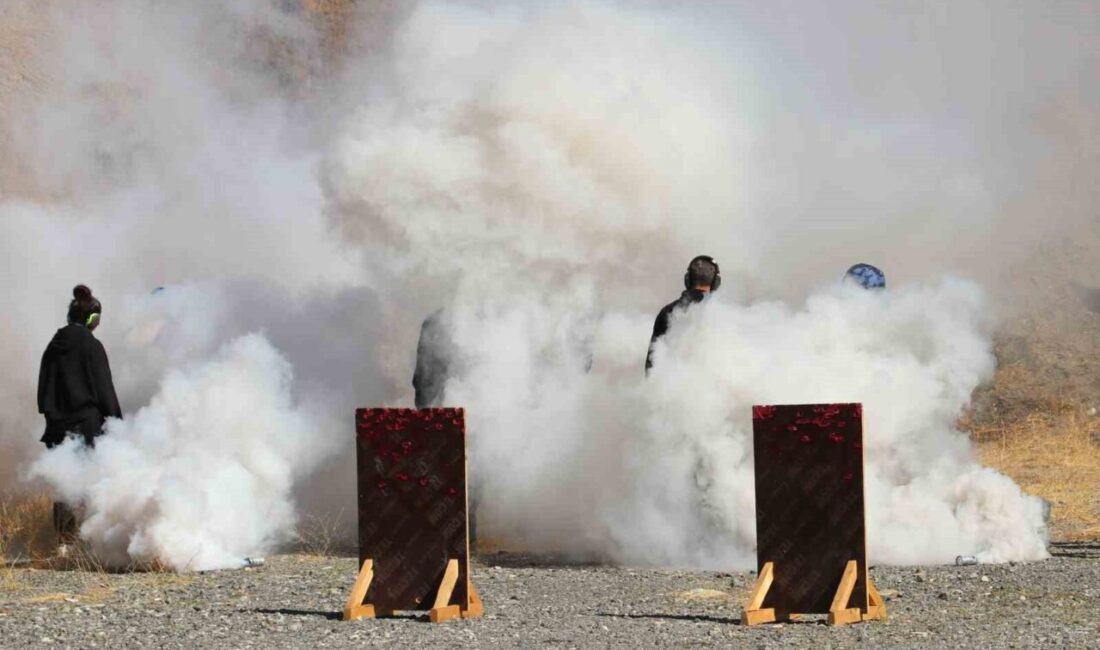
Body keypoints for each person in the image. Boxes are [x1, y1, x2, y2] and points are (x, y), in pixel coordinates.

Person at [37, 284, 122, 548]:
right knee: (89, 481)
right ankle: (90, 543)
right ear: (92, 319)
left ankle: (64, 543)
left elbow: (42, 391)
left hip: (57, 425)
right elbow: (104, 390)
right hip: (87, 425)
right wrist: (118, 424)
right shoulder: (92, 346)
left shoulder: (53, 346)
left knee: (65, 483)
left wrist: (52, 418)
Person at [646, 255, 721, 374]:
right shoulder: (720, 314)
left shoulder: (667, 312)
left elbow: (652, 362)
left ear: (688, 279)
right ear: (716, 283)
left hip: (670, 386)